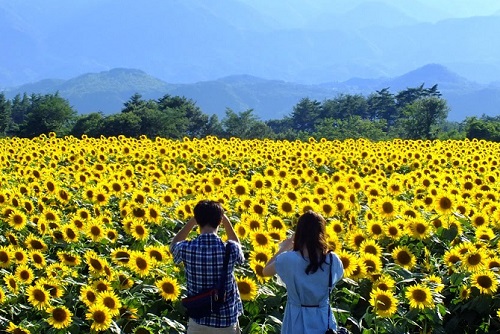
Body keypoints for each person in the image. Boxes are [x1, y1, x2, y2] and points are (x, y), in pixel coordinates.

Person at [262, 210, 344, 334]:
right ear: (322, 233)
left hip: (296, 318)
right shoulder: (332, 260)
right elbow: (338, 276)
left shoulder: (288, 259)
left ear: (299, 232)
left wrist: (285, 247)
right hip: (323, 319)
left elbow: (265, 271)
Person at [170, 200, 244, 334]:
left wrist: (192, 221)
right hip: (226, 321)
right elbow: (239, 249)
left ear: (198, 221)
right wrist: (226, 222)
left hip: (198, 320)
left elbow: (173, 245)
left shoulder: (187, 248)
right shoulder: (230, 249)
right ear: (220, 221)